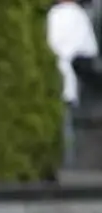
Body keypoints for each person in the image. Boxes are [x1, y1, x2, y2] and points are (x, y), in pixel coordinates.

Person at [48, 0, 100, 168]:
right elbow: (87, 59)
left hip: (48, 84)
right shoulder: (77, 16)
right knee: (67, 142)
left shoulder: (51, 14)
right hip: (68, 86)